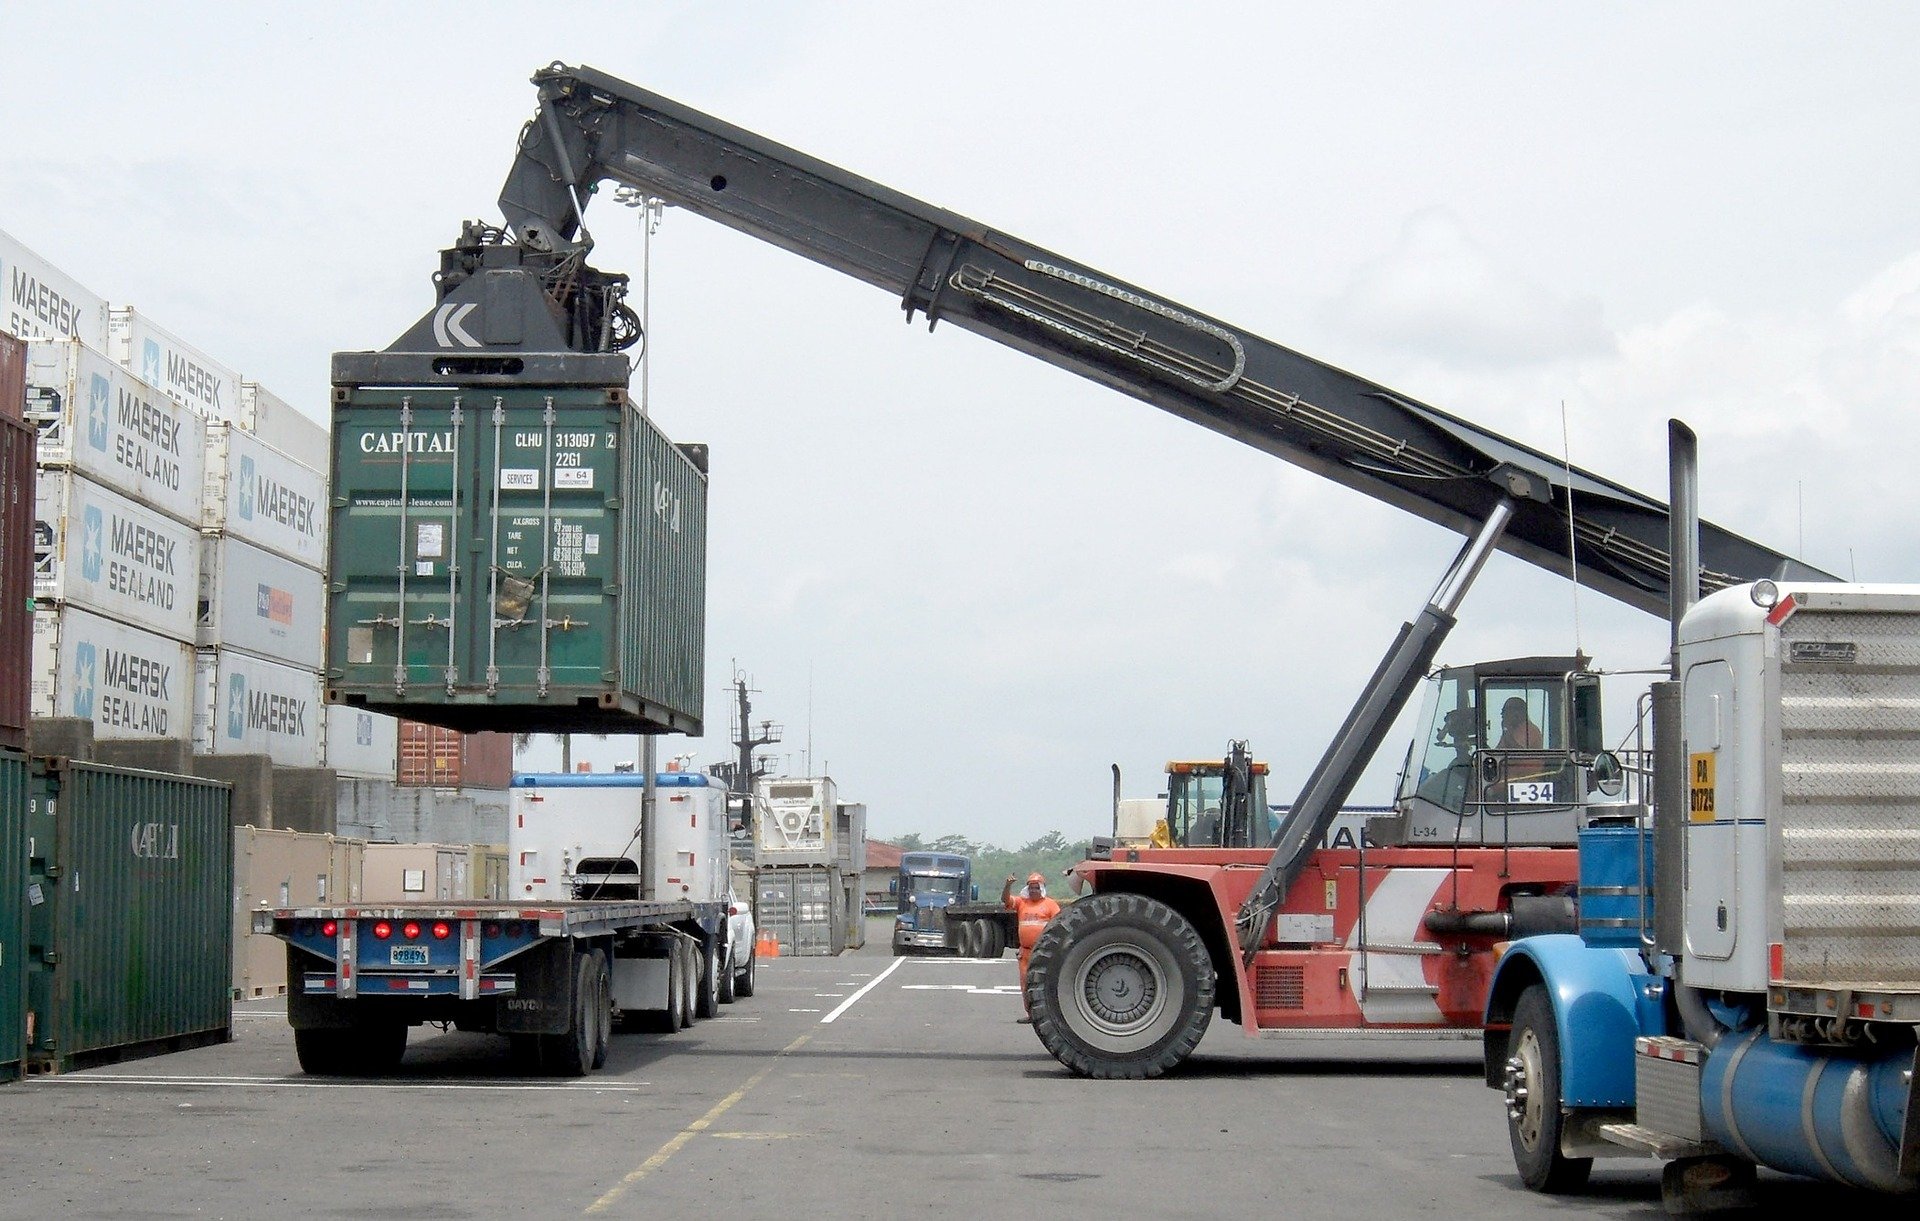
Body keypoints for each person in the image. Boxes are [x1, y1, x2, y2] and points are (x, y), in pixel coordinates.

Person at [1002, 872, 1062, 1023]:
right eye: (1030, 887)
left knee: (1044, 983)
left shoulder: (1050, 904)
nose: (1033, 890)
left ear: (1041, 888)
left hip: (1043, 952)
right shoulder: (1022, 903)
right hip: (1026, 952)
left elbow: (1060, 924)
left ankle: (1047, 1014)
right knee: (1025, 984)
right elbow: (1006, 900)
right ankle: (1030, 1014)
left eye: (1036, 887)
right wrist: (1008, 885)